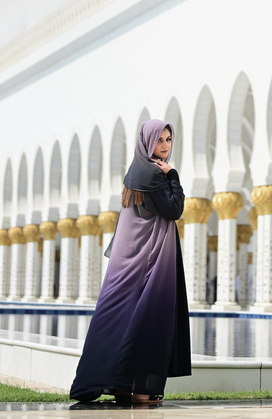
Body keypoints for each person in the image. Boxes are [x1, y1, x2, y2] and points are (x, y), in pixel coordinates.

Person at [70, 120, 190, 404]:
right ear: (147, 142)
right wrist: (173, 175)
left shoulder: (134, 173)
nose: (165, 145)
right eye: (159, 140)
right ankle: (142, 391)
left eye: (168, 139)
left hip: (128, 262)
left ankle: (119, 386)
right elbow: (175, 210)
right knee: (151, 321)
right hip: (150, 261)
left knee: (121, 320)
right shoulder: (155, 174)